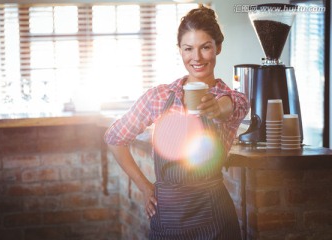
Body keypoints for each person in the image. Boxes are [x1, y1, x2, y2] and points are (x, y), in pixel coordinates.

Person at [104, 5, 249, 240]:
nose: (197, 57)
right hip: (167, 218)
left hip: (216, 219)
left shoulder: (230, 98)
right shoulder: (159, 97)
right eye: (188, 48)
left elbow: (232, 106)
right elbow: (114, 138)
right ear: (179, 50)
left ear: (218, 48)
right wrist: (144, 186)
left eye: (205, 47)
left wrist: (217, 108)